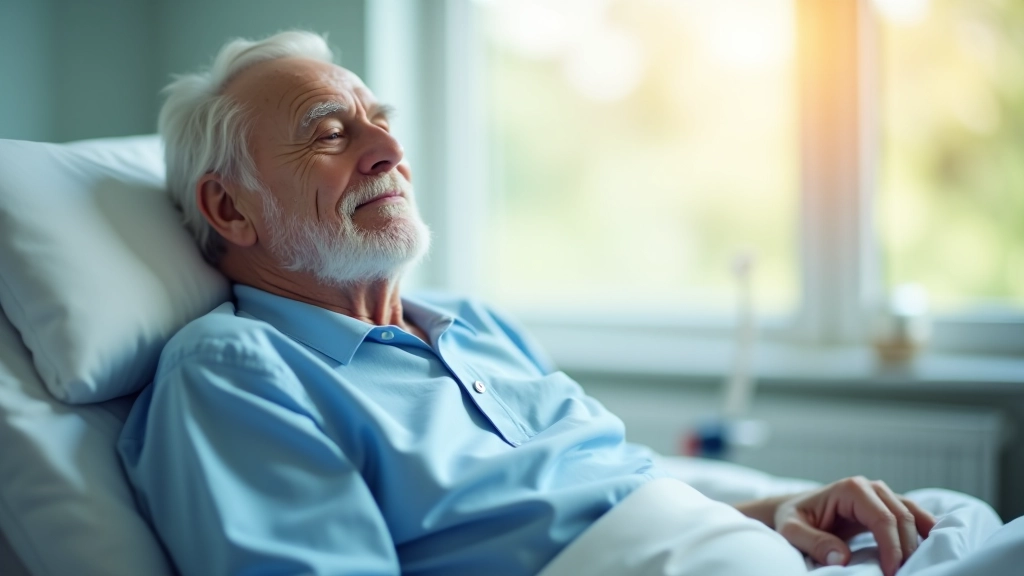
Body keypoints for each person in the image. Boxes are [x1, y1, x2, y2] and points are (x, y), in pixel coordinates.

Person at [118, 31, 936, 576]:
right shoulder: (232, 371)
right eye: (332, 133)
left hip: (734, 550)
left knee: (951, 518)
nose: (391, 151)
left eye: (382, 124)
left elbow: (609, 488)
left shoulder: (472, 325)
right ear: (230, 210)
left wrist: (778, 510)